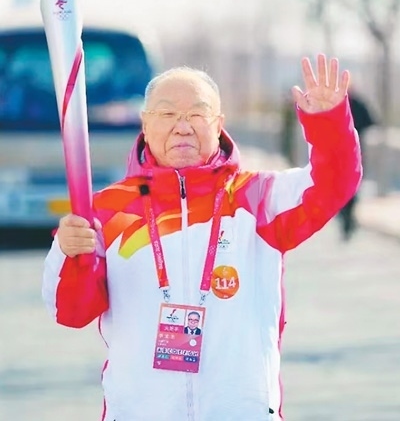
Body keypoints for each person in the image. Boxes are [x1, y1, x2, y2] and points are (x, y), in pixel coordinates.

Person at [42, 54, 362, 421]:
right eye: (167, 114)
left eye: (197, 114)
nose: (182, 127)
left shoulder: (256, 198)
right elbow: (71, 311)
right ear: (145, 124)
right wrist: (69, 252)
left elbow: (333, 183)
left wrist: (329, 124)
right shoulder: (106, 211)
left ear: (219, 124)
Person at [337, 87, 376, 240]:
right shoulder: (353, 104)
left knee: (347, 187)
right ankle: (347, 216)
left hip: (348, 153)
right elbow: (371, 122)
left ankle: (347, 216)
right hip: (350, 153)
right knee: (349, 187)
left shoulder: (340, 104)